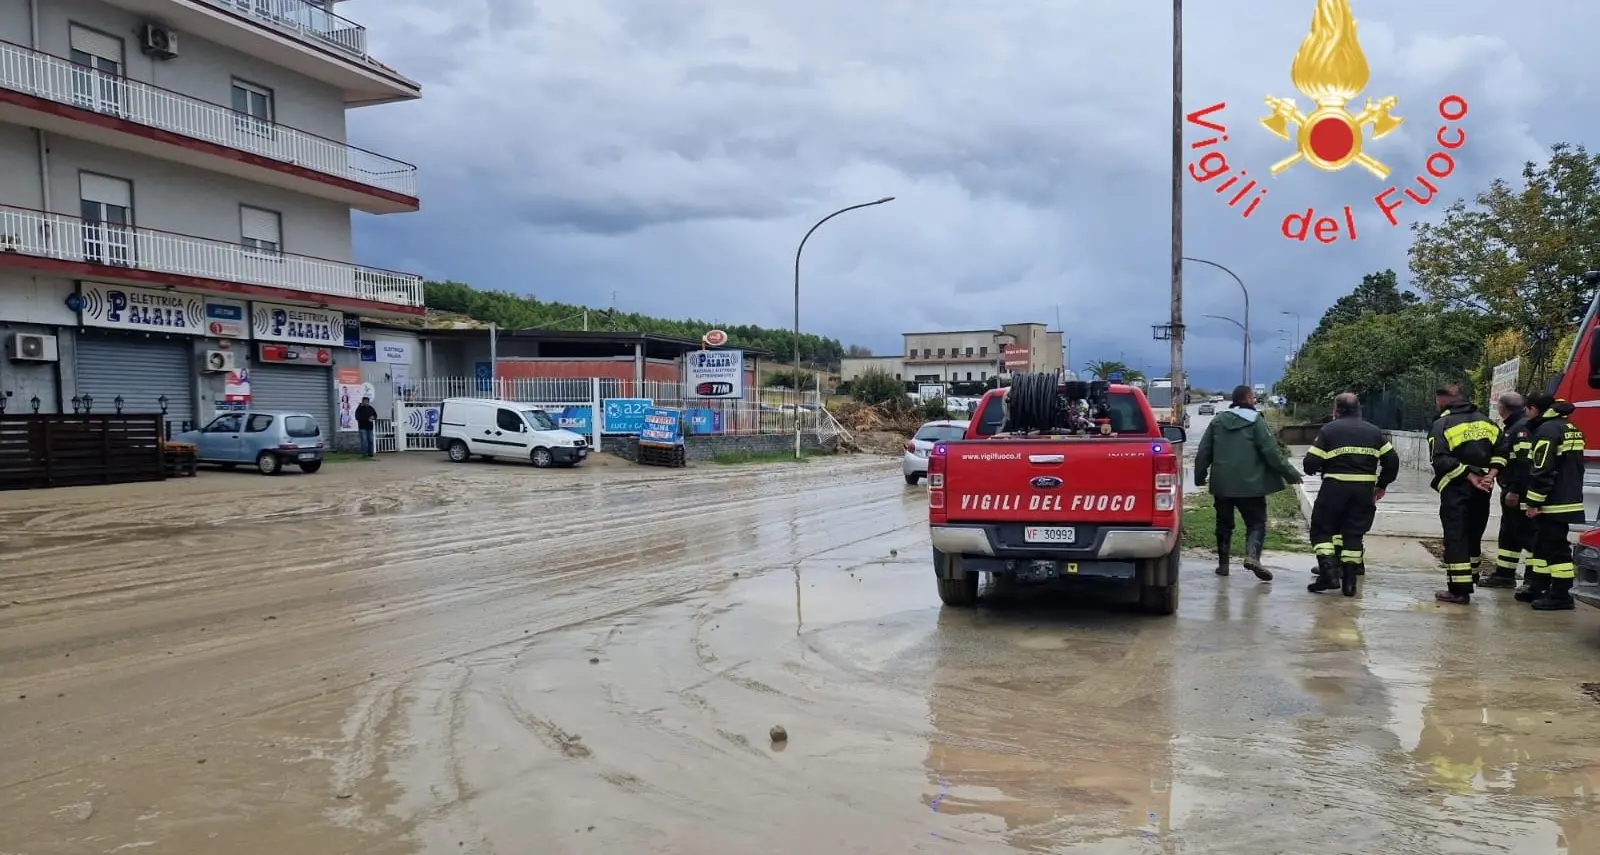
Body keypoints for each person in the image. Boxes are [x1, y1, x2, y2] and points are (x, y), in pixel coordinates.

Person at [1194, 385, 1303, 581]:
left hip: (1222, 485)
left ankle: (1223, 565)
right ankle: (1252, 556)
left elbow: (1203, 452)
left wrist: (1199, 477)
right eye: (1252, 397)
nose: (1254, 400)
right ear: (1247, 398)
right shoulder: (1256, 422)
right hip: (1251, 486)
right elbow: (1271, 453)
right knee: (1256, 523)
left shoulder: (1218, 420)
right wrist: (1291, 474)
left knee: (1224, 524)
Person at [1303, 393, 1399, 593]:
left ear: (1335, 411)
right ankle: (1349, 583)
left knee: (1322, 531)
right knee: (1353, 535)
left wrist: (1319, 467)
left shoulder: (1329, 430)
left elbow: (1310, 463)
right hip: (1364, 491)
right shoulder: (1374, 432)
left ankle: (1328, 574)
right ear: (1359, 410)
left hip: (1334, 489)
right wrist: (1381, 485)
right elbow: (1392, 461)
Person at [1428, 384, 1499, 604]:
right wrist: (1490, 475)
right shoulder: (1487, 422)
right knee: (1474, 532)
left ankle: (1459, 590)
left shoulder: (1442, 424)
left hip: (1457, 488)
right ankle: (1472, 576)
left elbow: (1440, 460)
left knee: (1456, 536)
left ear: (1441, 400)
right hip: (1483, 488)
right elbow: (1503, 451)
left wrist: (1468, 475)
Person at [1516, 392, 1584, 610]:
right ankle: (1539, 586)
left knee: (1555, 547)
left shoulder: (1546, 431)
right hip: (1566, 496)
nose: (1525, 412)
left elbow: (1542, 469)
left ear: (1536, 409)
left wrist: (1533, 502)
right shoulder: (1567, 427)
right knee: (1542, 545)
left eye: (1528, 408)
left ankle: (1561, 595)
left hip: (1553, 501)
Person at [1481, 392, 1533, 588]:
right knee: (1510, 534)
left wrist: (1515, 490)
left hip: (1519, 492)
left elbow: (1524, 464)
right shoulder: (1516, 426)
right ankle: (1504, 575)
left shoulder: (1521, 429)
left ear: (1503, 409)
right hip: (1513, 489)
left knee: (1525, 534)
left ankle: (1532, 579)